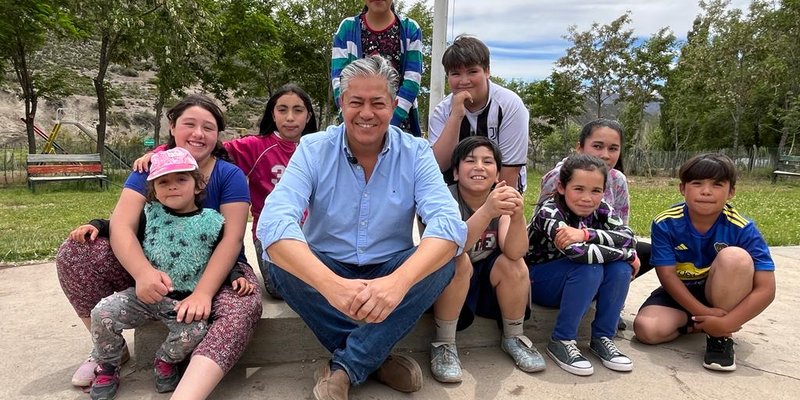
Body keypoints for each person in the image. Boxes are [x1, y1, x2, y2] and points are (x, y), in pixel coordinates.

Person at [257, 55, 467, 400]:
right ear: (342, 103)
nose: (366, 113)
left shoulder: (415, 151)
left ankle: (343, 368)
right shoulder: (313, 148)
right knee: (278, 260)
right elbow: (275, 221)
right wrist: (333, 285)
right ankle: (374, 359)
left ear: (393, 106)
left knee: (449, 259)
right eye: (356, 102)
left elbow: (448, 224)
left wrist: (398, 283)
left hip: (389, 266)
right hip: (327, 264)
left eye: (377, 103)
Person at [56, 94, 262, 400]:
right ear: (172, 127)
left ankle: (186, 378)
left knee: (245, 305)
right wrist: (142, 273)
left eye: (208, 127)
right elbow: (122, 225)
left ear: (218, 135)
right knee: (76, 252)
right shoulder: (149, 168)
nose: (198, 134)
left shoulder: (229, 175)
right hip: (154, 260)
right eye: (189, 124)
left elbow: (231, 239)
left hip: (219, 266)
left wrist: (204, 292)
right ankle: (107, 351)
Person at [83, 147, 254, 399]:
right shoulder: (149, 215)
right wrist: (94, 225)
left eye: (181, 180)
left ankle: (165, 360)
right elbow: (115, 226)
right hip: (143, 296)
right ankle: (108, 364)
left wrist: (236, 275)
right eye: (163, 182)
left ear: (197, 185)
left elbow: (221, 254)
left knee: (196, 330)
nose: (172, 187)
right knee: (102, 312)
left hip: (182, 304)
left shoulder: (212, 221)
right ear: (154, 191)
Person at [134, 83, 318, 299]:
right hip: (273, 233)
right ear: (272, 114)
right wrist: (159, 153)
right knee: (283, 287)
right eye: (282, 109)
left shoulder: (319, 147)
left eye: (298, 110)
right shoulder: (256, 147)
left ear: (308, 116)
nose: (290, 117)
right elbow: (201, 145)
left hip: (314, 232)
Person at [633, 153, 776, 372]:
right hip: (681, 290)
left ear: (731, 192)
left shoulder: (742, 228)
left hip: (724, 290)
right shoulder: (665, 223)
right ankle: (700, 324)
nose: (706, 191)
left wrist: (727, 323)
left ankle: (720, 337)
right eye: (697, 183)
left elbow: (766, 289)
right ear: (683, 189)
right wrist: (702, 311)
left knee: (734, 257)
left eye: (717, 185)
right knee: (647, 330)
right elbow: (667, 275)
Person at [429, 136, 544, 383]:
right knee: (458, 262)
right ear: (456, 172)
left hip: (486, 278)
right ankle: (444, 344)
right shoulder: (444, 199)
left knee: (513, 264)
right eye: (470, 160)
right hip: (450, 277)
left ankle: (514, 337)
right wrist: (487, 211)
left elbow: (515, 251)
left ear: (497, 174)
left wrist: (515, 217)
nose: (479, 166)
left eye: (488, 161)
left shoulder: (501, 198)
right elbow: (452, 249)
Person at [527, 154, 639, 376]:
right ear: (561, 187)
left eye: (596, 191)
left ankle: (602, 337)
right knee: (590, 266)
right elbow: (576, 253)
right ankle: (562, 340)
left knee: (620, 269)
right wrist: (626, 254)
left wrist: (585, 233)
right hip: (540, 282)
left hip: (579, 278)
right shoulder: (548, 212)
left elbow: (629, 237)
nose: (587, 198)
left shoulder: (602, 208)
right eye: (578, 189)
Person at [537, 118, 653, 329]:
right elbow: (567, 242)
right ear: (580, 147)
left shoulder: (617, 179)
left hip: (594, 245)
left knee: (635, 259)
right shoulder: (560, 178)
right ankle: (564, 337)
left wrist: (622, 251)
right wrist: (627, 255)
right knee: (597, 265)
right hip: (557, 256)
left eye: (613, 148)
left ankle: (607, 319)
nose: (605, 155)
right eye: (597, 146)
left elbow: (625, 234)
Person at [428, 34, 529, 192]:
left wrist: (494, 211)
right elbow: (438, 165)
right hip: (454, 191)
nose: (464, 81)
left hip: (500, 188)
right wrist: (456, 116)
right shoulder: (442, 111)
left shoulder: (510, 105)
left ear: (487, 71)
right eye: (455, 74)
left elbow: (510, 171)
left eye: (472, 72)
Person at [332, 0, 423, 136]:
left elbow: (412, 81)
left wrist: (390, 122)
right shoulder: (347, 28)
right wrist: (349, 115)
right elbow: (338, 80)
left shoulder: (410, 29)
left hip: (399, 124)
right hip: (356, 124)